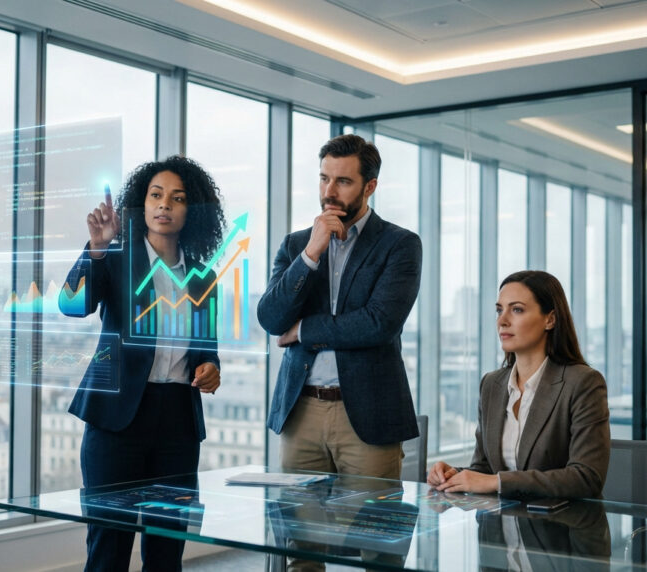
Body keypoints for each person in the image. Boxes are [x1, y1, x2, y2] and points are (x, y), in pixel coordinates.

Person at [61, 156, 225, 572]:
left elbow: (206, 350)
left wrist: (211, 368)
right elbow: (72, 305)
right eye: (156, 195)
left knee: (167, 552)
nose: (164, 204)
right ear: (142, 203)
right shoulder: (117, 258)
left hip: (178, 424)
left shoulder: (203, 278)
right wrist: (97, 249)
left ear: (192, 211)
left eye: (177, 198)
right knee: (109, 551)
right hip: (117, 419)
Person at [258, 133, 422, 481]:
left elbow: (378, 323)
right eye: (324, 178)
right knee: (298, 517)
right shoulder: (296, 244)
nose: (329, 192)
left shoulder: (400, 245)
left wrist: (303, 330)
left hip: (368, 414)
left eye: (343, 181)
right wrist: (310, 255)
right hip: (300, 411)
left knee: (370, 516)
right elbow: (271, 318)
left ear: (369, 186)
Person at [428, 270, 610, 499]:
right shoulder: (491, 384)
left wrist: (497, 482)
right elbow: (484, 469)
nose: (502, 321)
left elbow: (586, 478)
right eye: (499, 310)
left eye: (517, 310)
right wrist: (454, 475)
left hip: (562, 519)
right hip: (501, 518)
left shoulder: (582, 383)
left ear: (550, 319)